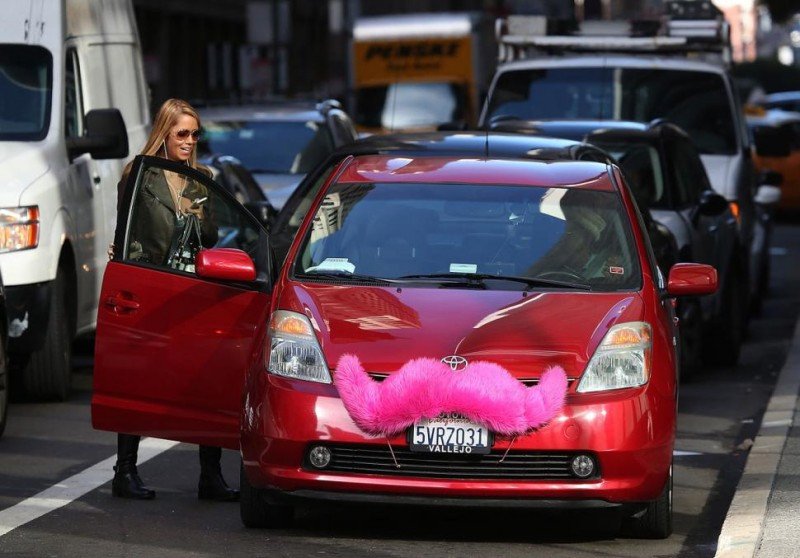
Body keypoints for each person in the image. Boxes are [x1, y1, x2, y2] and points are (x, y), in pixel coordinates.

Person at [110, 98, 238, 502]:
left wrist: (198, 215)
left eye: (195, 134)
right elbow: (126, 229)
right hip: (152, 284)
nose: (189, 141)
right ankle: (124, 472)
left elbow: (214, 237)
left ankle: (210, 477)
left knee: (207, 376)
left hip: (195, 288)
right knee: (137, 376)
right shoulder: (140, 174)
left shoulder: (203, 177)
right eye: (182, 133)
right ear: (163, 134)